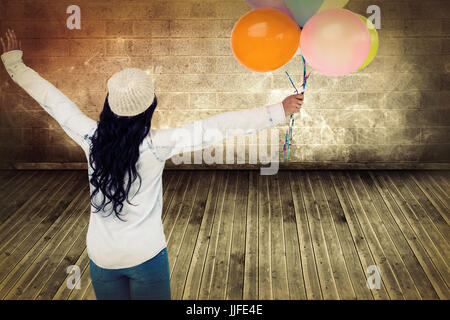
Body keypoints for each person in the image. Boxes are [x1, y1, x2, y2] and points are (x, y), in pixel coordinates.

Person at [0, 28, 304, 300]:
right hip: (146, 255)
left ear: (109, 106)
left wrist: (14, 64)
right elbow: (219, 126)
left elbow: (53, 100)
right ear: (149, 108)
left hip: (102, 257)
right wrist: (278, 111)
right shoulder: (158, 145)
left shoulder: (89, 136)